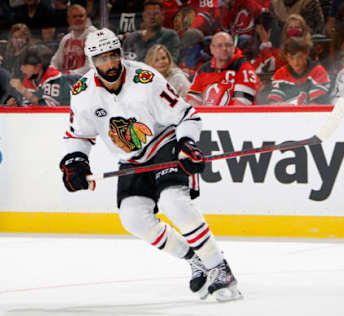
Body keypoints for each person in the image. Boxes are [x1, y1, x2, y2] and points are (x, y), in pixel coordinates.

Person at [59, 28, 242, 302]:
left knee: (173, 203)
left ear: (120, 54)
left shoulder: (146, 79)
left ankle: (219, 267)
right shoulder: (83, 92)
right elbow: (78, 136)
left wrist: (186, 145)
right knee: (132, 218)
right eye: (101, 60)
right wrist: (75, 161)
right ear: (91, 62)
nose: (109, 65)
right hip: (130, 158)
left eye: (113, 56)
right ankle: (195, 260)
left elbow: (187, 117)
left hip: (164, 144)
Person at [185, 31, 260, 106]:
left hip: (232, 116)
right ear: (212, 48)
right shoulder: (203, 69)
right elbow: (192, 99)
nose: (224, 49)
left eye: (228, 45)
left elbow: (241, 105)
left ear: (233, 47)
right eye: (220, 45)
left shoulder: (243, 68)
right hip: (206, 116)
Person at [267, 36, 330, 105]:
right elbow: (272, 103)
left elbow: (318, 104)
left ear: (307, 53)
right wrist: (281, 105)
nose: (296, 62)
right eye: (291, 58)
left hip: (311, 114)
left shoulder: (318, 71)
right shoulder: (280, 74)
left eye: (300, 57)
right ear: (286, 57)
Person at [50, 4, 97, 78]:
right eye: (74, 17)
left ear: (86, 18)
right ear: (68, 20)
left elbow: (92, 65)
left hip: (88, 81)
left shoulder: (94, 35)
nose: (78, 19)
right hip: (68, 81)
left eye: (81, 16)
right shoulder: (66, 39)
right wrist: (53, 72)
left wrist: (68, 74)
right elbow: (55, 62)